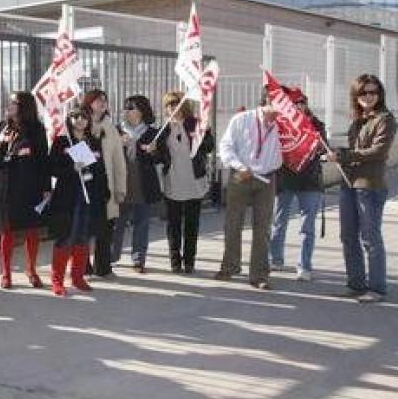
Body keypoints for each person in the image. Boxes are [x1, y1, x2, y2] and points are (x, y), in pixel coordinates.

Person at [331, 74, 397, 303]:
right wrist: (337, 155)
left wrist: (345, 156)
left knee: (370, 238)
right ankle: (355, 284)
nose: (369, 97)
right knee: (348, 236)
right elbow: (353, 150)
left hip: (369, 186)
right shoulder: (357, 121)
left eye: (373, 92)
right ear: (356, 96)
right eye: (364, 93)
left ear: (379, 95)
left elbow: (378, 151)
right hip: (348, 184)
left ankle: (377, 288)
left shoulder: (385, 119)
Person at [213, 95, 283, 289]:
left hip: (267, 177)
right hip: (241, 174)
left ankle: (259, 275)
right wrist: (238, 165)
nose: (278, 114)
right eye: (276, 108)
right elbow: (226, 146)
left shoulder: (283, 125)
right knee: (233, 223)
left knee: (263, 228)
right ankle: (230, 266)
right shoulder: (241, 119)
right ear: (266, 102)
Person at [0, 91, 50, 289]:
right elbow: (0, 158)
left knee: (32, 230)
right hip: (7, 184)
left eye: (13, 102)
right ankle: (6, 273)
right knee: (7, 229)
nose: (9, 105)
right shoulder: (4, 127)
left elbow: (43, 160)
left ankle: (31, 269)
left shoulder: (36, 129)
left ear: (24, 106)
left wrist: (46, 187)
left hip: (29, 185)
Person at [47, 107, 108, 295]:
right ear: (69, 120)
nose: (80, 120)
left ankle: (78, 277)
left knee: (83, 237)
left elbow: (100, 169)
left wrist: (105, 192)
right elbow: (52, 168)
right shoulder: (61, 142)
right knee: (65, 237)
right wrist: (71, 168)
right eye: (76, 117)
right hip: (68, 198)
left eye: (84, 117)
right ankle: (57, 280)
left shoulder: (93, 142)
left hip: (89, 197)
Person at [268, 87, 328, 281]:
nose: (299, 106)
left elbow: (323, 150)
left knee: (307, 226)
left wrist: (315, 141)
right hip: (285, 179)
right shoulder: (280, 124)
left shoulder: (316, 124)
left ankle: (304, 266)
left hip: (310, 181)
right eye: (294, 103)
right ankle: (275, 259)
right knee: (279, 222)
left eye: (302, 102)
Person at [154, 91, 215, 274]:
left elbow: (209, 147)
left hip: (193, 182)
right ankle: (175, 261)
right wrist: (152, 150)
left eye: (176, 104)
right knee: (173, 225)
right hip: (173, 182)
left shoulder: (195, 124)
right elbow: (158, 157)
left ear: (184, 106)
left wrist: (206, 132)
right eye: (169, 105)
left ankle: (189, 261)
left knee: (191, 224)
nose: (173, 108)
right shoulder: (163, 130)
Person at [111, 95, 163, 272]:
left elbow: (161, 159)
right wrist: (118, 144)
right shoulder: (116, 131)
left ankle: (138, 259)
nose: (126, 110)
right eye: (125, 107)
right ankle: (111, 256)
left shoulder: (152, 133)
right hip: (121, 185)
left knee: (141, 223)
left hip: (143, 185)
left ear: (141, 111)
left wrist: (153, 152)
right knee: (117, 223)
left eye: (131, 107)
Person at [81, 90, 127, 278]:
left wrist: (120, 188)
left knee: (105, 228)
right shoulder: (80, 123)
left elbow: (118, 159)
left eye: (104, 100)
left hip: (105, 186)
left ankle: (103, 267)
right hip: (85, 185)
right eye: (98, 100)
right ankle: (82, 266)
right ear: (89, 103)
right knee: (83, 228)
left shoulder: (110, 127)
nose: (102, 103)